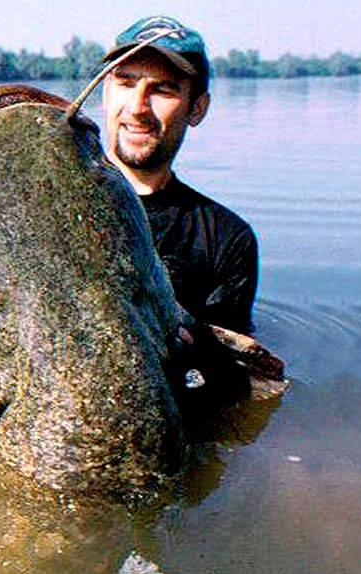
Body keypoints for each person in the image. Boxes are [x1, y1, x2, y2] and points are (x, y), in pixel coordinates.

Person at [101, 16, 259, 335]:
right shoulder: (44, 202)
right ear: (105, 92)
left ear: (197, 108)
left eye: (162, 89)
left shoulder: (226, 239)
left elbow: (232, 370)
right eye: (126, 82)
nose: (138, 107)